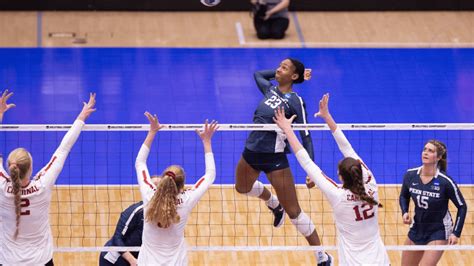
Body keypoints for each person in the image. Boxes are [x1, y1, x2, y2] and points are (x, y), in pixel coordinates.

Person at [273, 93, 390, 265]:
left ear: (341, 177)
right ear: (360, 170)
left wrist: (288, 130)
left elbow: (307, 163)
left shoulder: (338, 196)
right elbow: (347, 149)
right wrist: (327, 116)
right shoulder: (371, 183)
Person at [235, 58, 331, 265]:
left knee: (294, 212)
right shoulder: (269, 90)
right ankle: (273, 204)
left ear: (293, 76)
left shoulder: (296, 101)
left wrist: (311, 169)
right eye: (279, 66)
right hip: (251, 152)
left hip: (274, 159)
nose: (278, 69)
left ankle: (322, 255)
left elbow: (306, 135)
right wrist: (289, 74)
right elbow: (258, 74)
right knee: (241, 188)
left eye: (284, 68)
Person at [0, 92, 96, 265]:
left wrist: (0, 115)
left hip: (8, 261)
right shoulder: (43, 185)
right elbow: (63, 149)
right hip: (41, 261)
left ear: (9, 166)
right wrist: (81, 117)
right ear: (30, 168)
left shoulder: (1, 186)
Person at [135, 112, 218, 265]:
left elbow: (140, 162)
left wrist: (152, 131)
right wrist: (207, 142)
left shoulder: (149, 195)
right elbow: (210, 174)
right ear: (181, 185)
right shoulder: (187, 199)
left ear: (163, 178)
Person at [399, 139, 467, 265]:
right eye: (425, 149)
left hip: (438, 230)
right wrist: (404, 212)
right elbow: (404, 195)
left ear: (439, 157)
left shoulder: (445, 182)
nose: (425, 153)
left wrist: (456, 233)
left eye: (430, 151)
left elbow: (462, 206)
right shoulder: (410, 175)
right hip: (417, 227)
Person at [99, 177, 160, 266]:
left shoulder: (164, 214)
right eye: (154, 185)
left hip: (137, 259)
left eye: (160, 186)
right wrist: (132, 260)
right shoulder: (136, 211)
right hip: (114, 260)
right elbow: (117, 239)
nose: (156, 188)